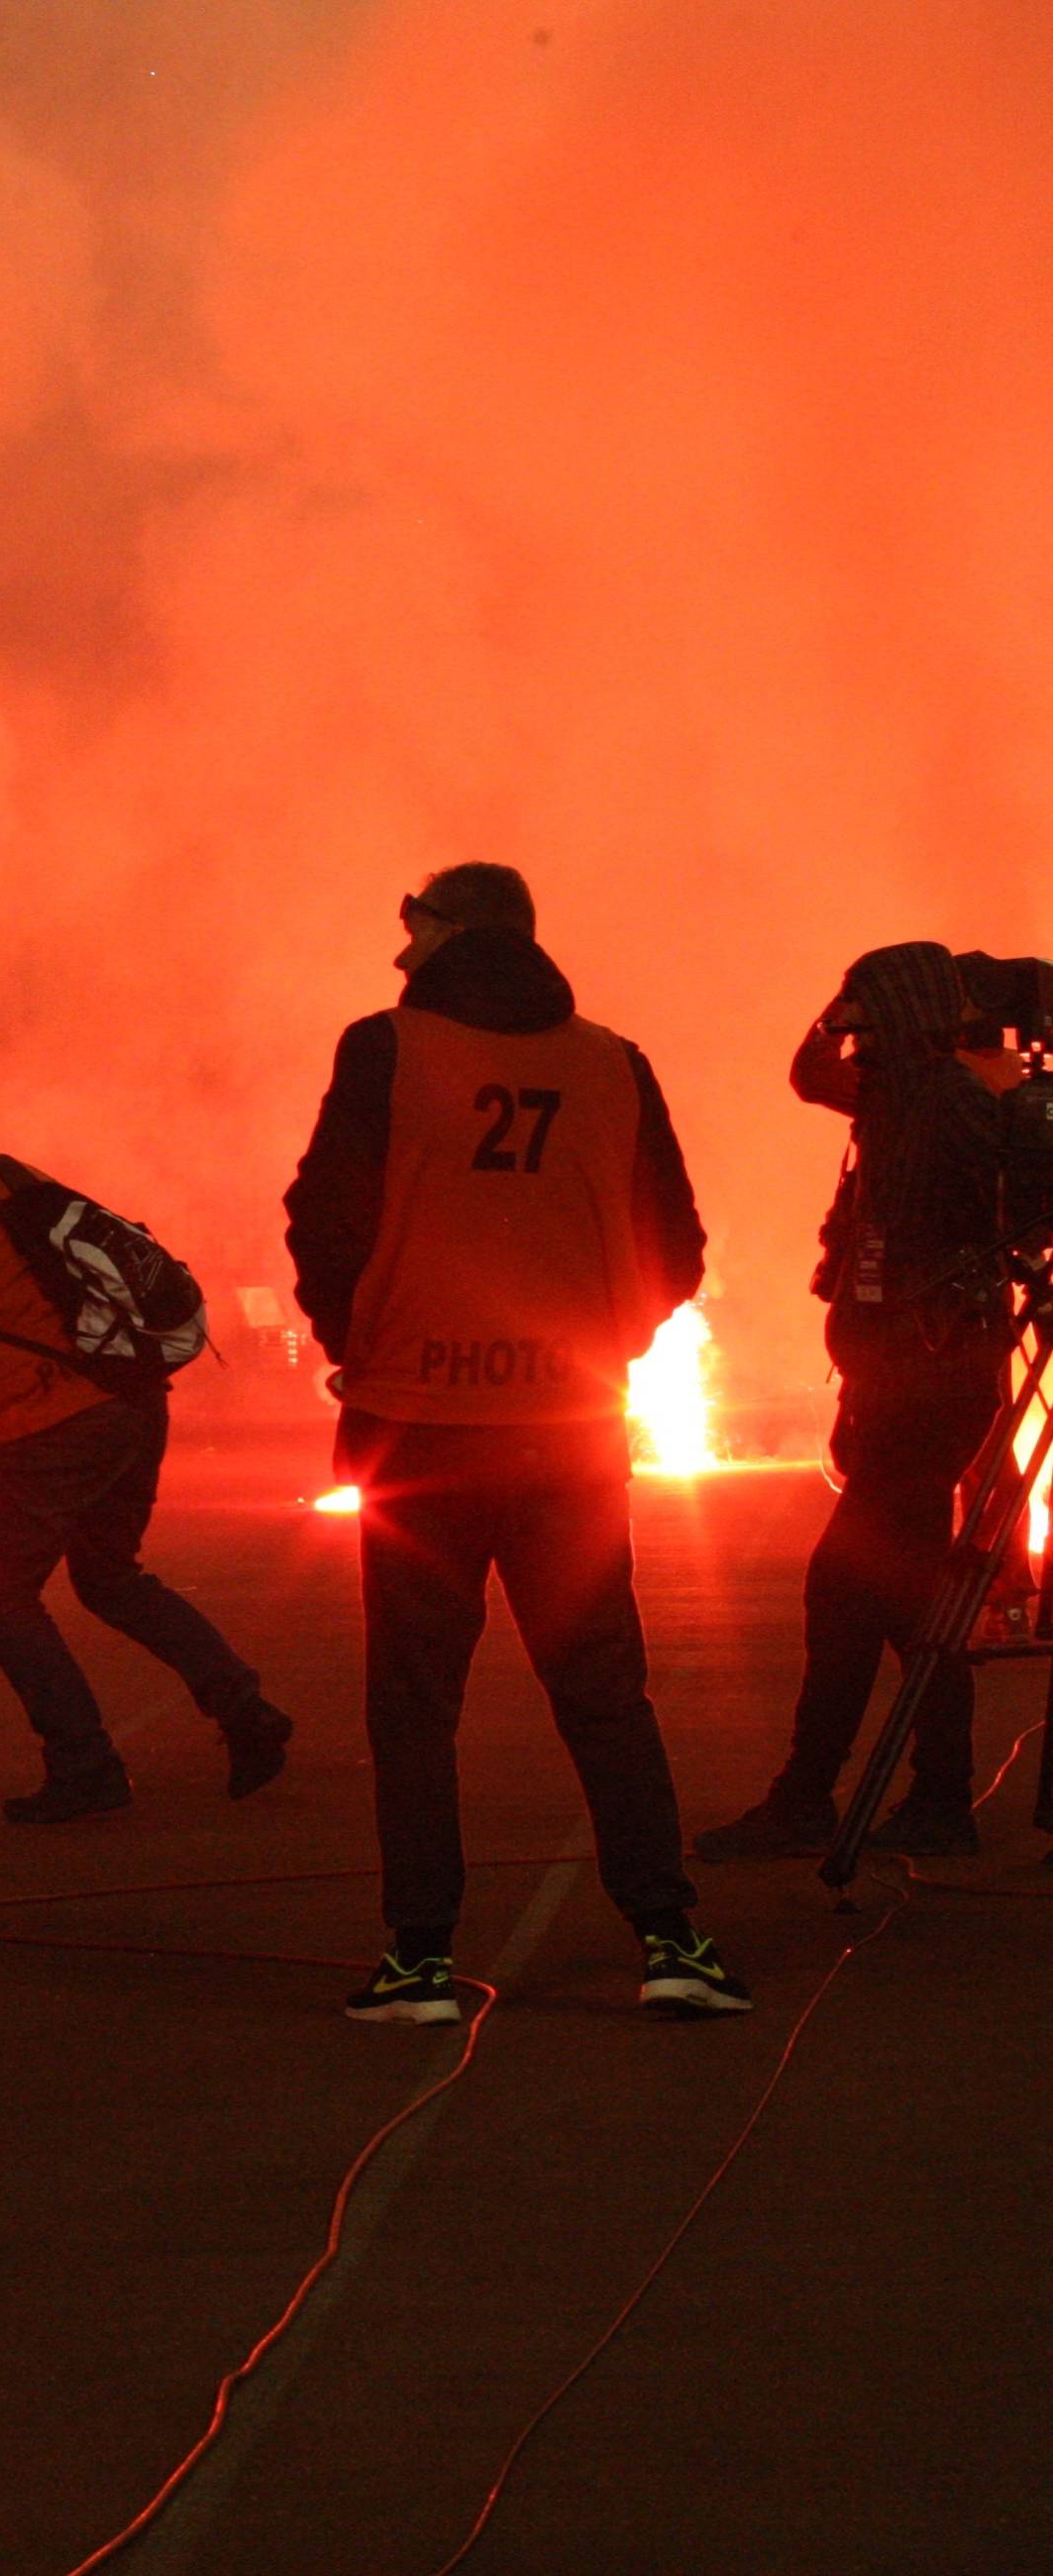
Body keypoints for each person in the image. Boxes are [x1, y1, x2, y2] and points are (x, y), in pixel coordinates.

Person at [285, 863, 750, 2020]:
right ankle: (670, 1936)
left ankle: (421, 1959)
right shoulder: (611, 1061)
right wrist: (608, 1337)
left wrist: (359, 1335)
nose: (400, 953)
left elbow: (324, 1211)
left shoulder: (387, 1047)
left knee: (414, 1702)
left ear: (451, 933)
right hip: (569, 1428)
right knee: (604, 1690)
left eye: (413, 929)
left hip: (418, 1426)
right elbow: (679, 1243)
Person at [0, 1078, 293, 1821]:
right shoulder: (8, 1173)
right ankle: (245, 1711)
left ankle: (85, 1764)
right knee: (110, 1577)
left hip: (54, 1422)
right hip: (131, 1398)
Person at [696, 943, 1007, 1865]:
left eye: (870, 1020)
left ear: (905, 1019)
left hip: (931, 1378)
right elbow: (806, 1074)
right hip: (890, 1379)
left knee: (856, 1590)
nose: (855, 1041)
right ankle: (927, 1800)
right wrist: (837, 1013)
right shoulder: (891, 1095)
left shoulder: (949, 1105)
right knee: (905, 1600)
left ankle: (820, 1800)